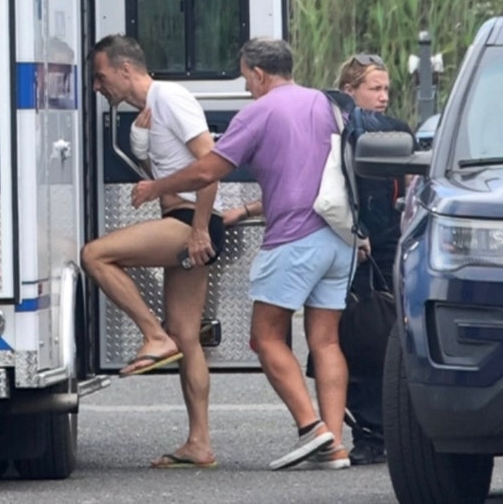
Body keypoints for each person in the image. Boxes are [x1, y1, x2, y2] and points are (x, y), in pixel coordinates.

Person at [132, 37, 355, 471]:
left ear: (258, 72)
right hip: (338, 238)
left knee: (265, 337)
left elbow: (207, 170)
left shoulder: (259, 111)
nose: (247, 85)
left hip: (293, 237)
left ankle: (313, 429)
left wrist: (155, 187)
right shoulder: (328, 106)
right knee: (325, 341)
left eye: (246, 77)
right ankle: (336, 447)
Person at [80, 34, 225, 469]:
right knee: (188, 337)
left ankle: (152, 335)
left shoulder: (170, 98)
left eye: (101, 76)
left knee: (95, 255)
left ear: (126, 69)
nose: (98, 87)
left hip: (188, 223)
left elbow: (211, 165)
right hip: (183, 220)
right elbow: (170, 167)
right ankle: (199, 443)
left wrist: (199, 228)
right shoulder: (147, 114)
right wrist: (143, 152)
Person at [333, 52, 408, 466]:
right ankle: (366, 427)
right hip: (349, 245)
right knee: (354, 340)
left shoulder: (392, 131)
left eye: (386, 89)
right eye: (374, 88)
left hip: (386, 245)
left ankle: (382, 428)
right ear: (349, 92)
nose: (382, 96)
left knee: (382, 337)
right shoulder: (336, 130)